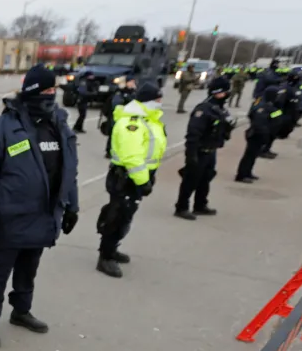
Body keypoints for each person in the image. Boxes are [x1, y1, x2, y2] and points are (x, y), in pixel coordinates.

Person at [0, 65, 80, 348]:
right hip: (10, 218)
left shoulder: (59, 123)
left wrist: (72, 206)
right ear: (32, 92)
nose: (51, 94)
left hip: (44, 216)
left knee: (28, 270)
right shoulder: (7, 126)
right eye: (45, 90)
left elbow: (69, 169)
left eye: (53, 89)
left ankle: (21, 311)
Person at [96, 83, 166, 278]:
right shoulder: (133, 123)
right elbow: (132, 157)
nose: (161, 103)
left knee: (125, 215)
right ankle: (105, 256)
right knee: (117, 216)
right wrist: (143, 181)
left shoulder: (148, 119)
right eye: (158, 99)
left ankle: (112, 248)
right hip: (127, 178)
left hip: (136, 176)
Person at [174, 77, 234, 220]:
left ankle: (200, 205)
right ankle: (181, 207)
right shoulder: (203, 109)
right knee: (190, 180)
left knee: (206, 178)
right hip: (199, 151)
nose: (227, 94)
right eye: (225, 91)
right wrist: (191, 155)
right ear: (217, 92)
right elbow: (193, 134)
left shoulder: (219, 109)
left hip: (211, 150)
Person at [235, 86, 280, 183]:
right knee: (249, 155)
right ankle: (241, 175)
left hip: (261, 133)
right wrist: (264, 133)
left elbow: (274, 118)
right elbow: (258, 121)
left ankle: (248, 172)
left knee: (254, 155)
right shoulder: (262, 106)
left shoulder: (267, 105)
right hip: (256, 134)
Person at [101, 76, 136, 159]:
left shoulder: (132, 92)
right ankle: (109, 151)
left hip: (125, 118)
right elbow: (116, 104)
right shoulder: (120, 93)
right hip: (116, 117)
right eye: (132, 82)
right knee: (113, 134)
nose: (133, 84)